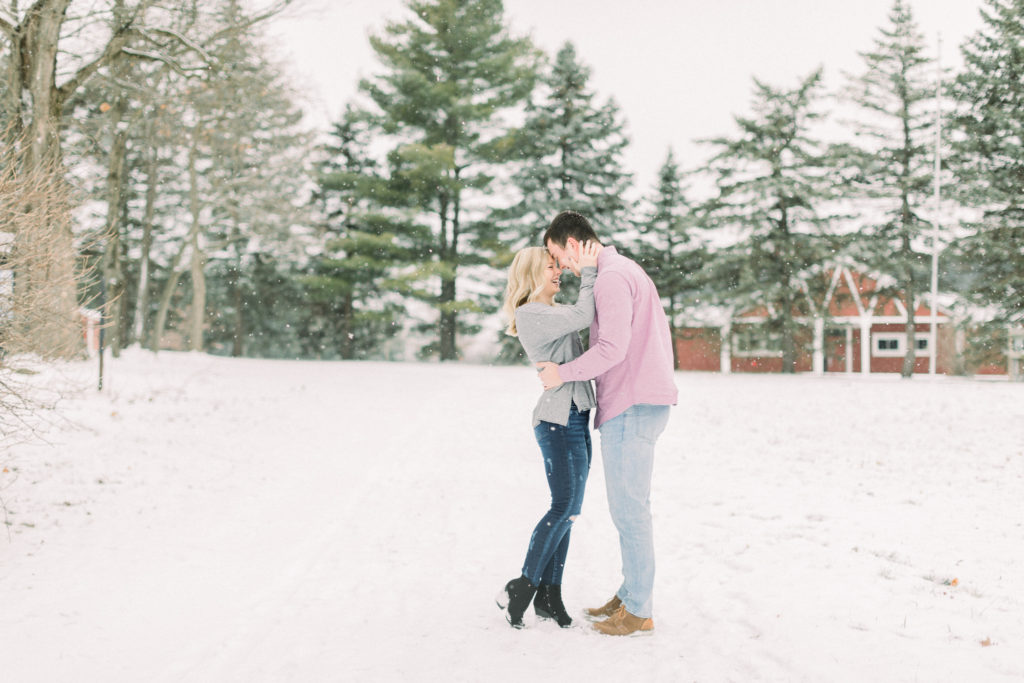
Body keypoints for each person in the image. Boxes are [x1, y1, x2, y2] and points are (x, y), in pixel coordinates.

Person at [537, 210, 678, 637]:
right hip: (638, 399)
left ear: (574, 244)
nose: (559, 267)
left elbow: (612, 348)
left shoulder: (614, 278)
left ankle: (638, 609)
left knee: (630, 510)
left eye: (557, 255)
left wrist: (561, 373)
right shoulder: (619, 270)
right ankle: (631, 593)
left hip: (632, 402)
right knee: (628, 508)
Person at [496, 240, 602, 629]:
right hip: (557, 421)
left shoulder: (552, 311)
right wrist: (589, 271)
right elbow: (584, 313)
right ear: (529, 275)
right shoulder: (531, 313)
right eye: (550, 268)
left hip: (576, 417)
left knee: (570, 512)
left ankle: (549, 595)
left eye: (558, 267)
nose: (559, 272)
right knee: (563, 507)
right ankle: (522, 585)